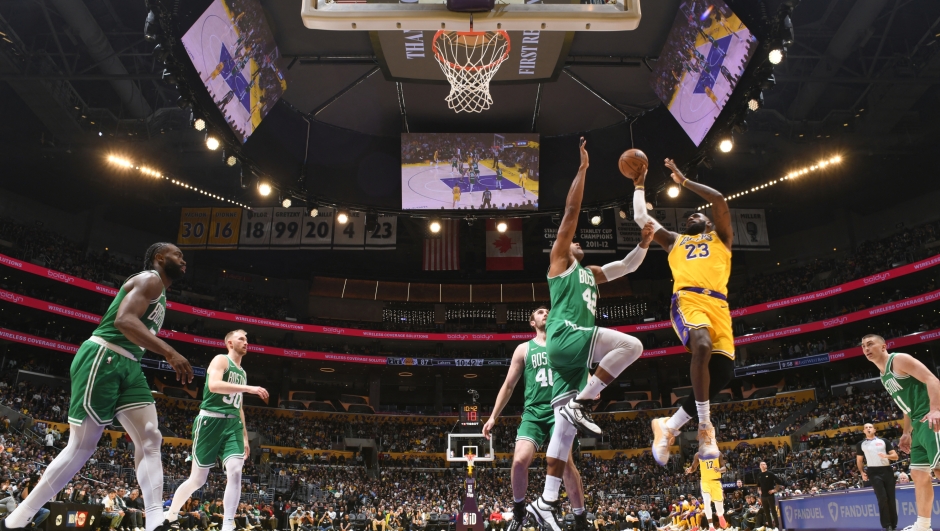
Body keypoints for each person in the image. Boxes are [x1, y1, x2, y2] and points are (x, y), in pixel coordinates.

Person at [1, 243, 193, 531]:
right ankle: (17, 519)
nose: (183, 259)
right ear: (159, 258)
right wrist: (169, 352)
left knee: (152, 438)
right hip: (105, 356)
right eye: (178, 255)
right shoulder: (149, 279)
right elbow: (124, 320)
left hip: (130, 364)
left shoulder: (161, 293)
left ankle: (155, 522)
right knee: (82, 446)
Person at [526, 138, 649, 531]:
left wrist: (645, 243)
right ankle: (584, 399)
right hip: (567, 336)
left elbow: (628, 267)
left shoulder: (591, 273)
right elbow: (572, 211)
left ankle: (545, 502)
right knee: (633, 344)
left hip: (572, 358)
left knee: (561, 436)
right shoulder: (561, 262)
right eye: (573, 240)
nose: (577, 241)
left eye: (578, 242)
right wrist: (582, 170)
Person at [632, 159, 734, 466]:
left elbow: (718, 199)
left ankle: (670, 426)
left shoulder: (722, 239)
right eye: (689, 215)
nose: (693, 214)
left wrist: (684, 181)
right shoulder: (675, 241)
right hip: (688, 300)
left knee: (722, 375)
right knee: (701, 345)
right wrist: (639, 184)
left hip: (719, 307)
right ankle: (705, 429)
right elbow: (640, 216)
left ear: (710, 223)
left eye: (698, 214)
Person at [482, 307, 587, 531]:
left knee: (566, 463)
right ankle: (519, 512)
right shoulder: (523, 349)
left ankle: (581, 520)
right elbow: (509, 385)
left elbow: (581, 369)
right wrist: (493, 417)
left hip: (561, 408)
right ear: (532, 322)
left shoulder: (564, 344)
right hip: (533, 412)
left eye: (548, 311)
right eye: (540, 312)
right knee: (519, 460)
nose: (545, 313)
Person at [166, 330, 268, 531]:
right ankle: (171, 513)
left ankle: (227, 525)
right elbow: (213, 385)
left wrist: (246, 437)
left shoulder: (243, 372)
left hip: (233, 426)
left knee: (236, 471)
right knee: (197, 479)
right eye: (241, 339)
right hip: (210, 421)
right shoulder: (221, 360)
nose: (246, 342)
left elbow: (238, 406)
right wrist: (249, 388)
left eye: (247, 339)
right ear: (230, 343)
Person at [863, 333, 940, 531]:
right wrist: (906, 432)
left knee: (939, 468)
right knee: (918, 473)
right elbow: (906, 408)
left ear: (883, 346)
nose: (866, 348)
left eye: (870, 344)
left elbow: (932, 380)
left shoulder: (899, 360)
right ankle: (923, 526)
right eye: (863, 346)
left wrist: (936, 409)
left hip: (930, 418)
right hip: (917, 423)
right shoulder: (883, 375)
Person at [856, 423, 899, 531]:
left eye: (870, 427)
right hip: (873, 472)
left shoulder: (884, 441)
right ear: (863, 431)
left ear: (875, 430)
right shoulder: (861, 444)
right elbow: (859, 460)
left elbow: (895, 456)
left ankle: (894, 525)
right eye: (866, 428)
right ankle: (887, 525)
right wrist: (862, 472)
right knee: (882, 498)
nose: (868, 429)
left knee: (891, 498)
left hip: (887, 470)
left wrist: (886, 456)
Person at [686, 450, 728, 531]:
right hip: (705, 481)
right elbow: (693, 468)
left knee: (719, 509)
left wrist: (719, 470)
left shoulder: (718, 453)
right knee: (706, 500)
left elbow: (724, 468)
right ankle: (711, 526)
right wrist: (689, 470)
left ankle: (720, 515)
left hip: (716, 481)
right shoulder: (698, 455)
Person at [755, 462, 783, 531]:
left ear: (766, 466)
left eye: (764, 464)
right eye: (761, 464)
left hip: (770, 495)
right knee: (766, 512)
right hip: (763, 496)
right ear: (759, 466)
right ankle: (770, 527)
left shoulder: (770, 474)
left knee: (773, 511)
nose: (763, 465)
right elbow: (758, 485)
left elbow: (779, 481)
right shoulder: (759, 475)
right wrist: (759, 491)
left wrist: (775, 490)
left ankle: (777, 526)